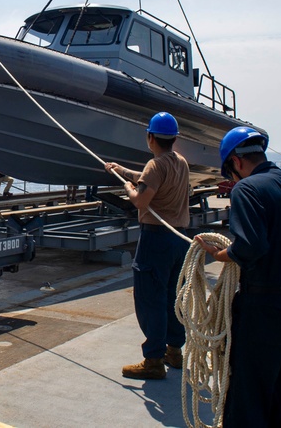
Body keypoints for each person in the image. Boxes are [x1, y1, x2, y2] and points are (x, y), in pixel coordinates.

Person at [197, 126, 281, 428]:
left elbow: (250, 247)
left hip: (263, 310)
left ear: (236, 163)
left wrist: (219, 254)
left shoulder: (247, 189)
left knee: (249, 399)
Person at [104, 112, 191, 380]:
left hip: (156, 238)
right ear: (174, 138)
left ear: (150, 137)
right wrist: (122, 170)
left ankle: (153, 359)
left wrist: (129, 189)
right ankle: (174, 351)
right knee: (171, 297)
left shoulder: (156, 165)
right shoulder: (180, 162)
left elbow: (141, 201)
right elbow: (151, 177)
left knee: (149, 298)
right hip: (179, 239)